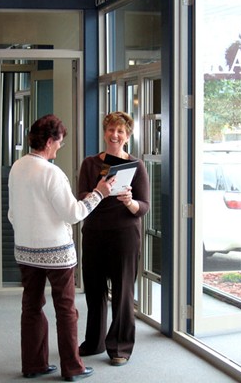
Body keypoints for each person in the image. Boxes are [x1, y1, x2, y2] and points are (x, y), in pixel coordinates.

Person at [8, 114, 114, 382]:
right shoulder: (52, 173)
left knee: (31, 307)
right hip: (56, 252)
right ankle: (72, 368)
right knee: (66, 310)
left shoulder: (17, 167)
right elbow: (73, 214)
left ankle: (33, 364)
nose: (60, 146)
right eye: (59, 142)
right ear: (50, 141)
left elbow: (12, 214)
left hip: (25, 250)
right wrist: (99, 193)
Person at [77, 111, 150, 366]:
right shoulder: (90, 163)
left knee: (122, 293)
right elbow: (81, 196)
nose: (115, 135)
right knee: (94, 291)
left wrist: (129, 202)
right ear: (104, 132)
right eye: (110, 130)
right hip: (95, 234)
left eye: (120, 131)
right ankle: (95, 342)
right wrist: (100, 191)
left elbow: (144, 205)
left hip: (124, 236)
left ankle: (119, 346)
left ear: (127, 136)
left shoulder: (137, 165)